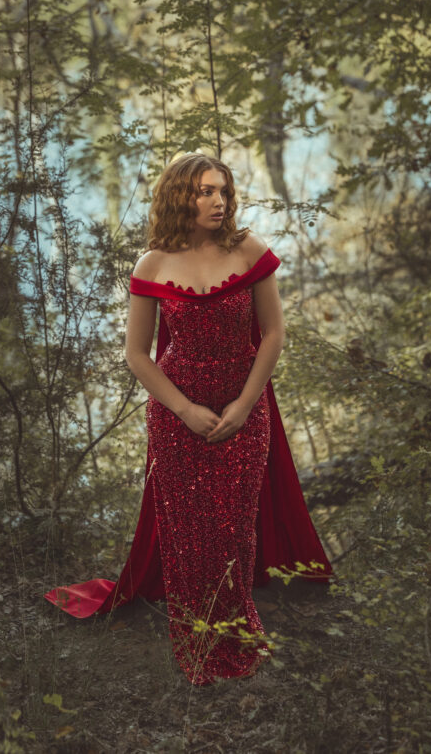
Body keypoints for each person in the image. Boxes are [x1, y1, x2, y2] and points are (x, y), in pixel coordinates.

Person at [45, 152, 332, 686]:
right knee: (188, 531)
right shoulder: (152, 263)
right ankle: (196, 628)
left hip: (244, 406)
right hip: (177, 414)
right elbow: (137, 354)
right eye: (204, 191)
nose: (217, 200)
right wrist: (184, 409)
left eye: (222, 190)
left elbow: (273, 335)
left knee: (233, 530)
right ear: (180, 196)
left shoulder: (249, 251)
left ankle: (237, 626)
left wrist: (244, 406)